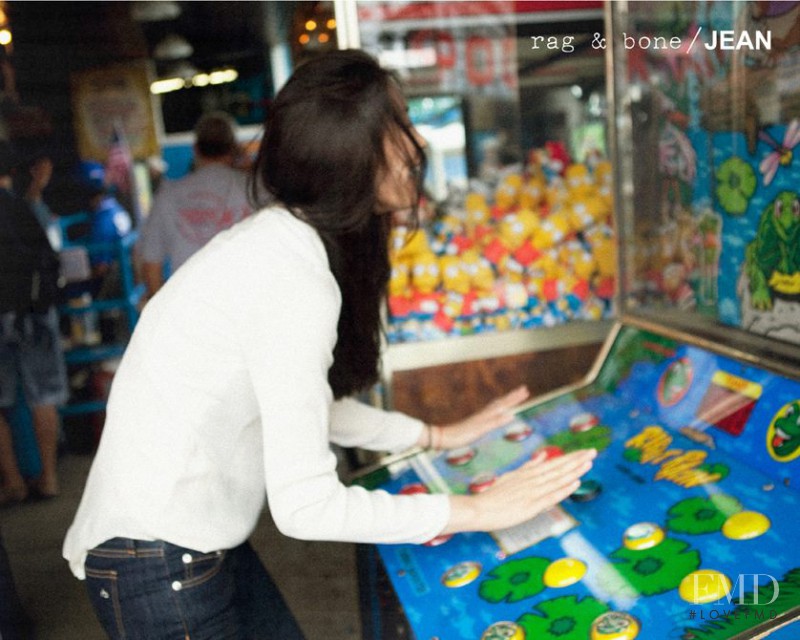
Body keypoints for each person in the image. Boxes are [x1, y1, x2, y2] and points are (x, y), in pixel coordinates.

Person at [63, 50, 595, 639]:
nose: (416, 139)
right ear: (351, 151)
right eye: (399, 124)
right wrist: (478, 510)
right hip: (158, 559)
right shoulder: (290, 273)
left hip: (176, 549)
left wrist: (435, 436)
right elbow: (306, 507)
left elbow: (305, 403)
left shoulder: (286, 244)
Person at [0, 140, 67, 502]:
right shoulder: (24, 210)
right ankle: (49, 478)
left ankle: (12, 482)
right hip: (35, 316)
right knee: (44, 397)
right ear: (12, 173)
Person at [137, 111, 252, 299]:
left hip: (191, 311)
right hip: (249, 303)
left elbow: (150, 264)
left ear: (195, 149)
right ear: (234, 148)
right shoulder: (255, 190)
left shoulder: (168, 196)